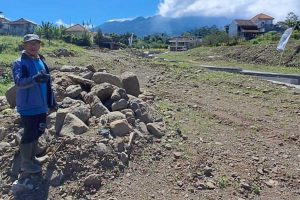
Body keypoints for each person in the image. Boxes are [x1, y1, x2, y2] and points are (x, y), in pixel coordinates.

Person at [12, 34, 57, 174]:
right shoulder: (19, 63)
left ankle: (33, 158)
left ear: (39, 45)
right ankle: (26, 163)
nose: (33, 46)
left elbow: (48, 83)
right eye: (30, 44)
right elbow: (19, 82)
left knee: (39, 131)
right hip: (28, 107)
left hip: (41, 105)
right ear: (24, 46)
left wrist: (52, 102)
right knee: (29, 133)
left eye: (36, 43)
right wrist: (34, 79)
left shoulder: (41, 61)